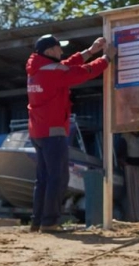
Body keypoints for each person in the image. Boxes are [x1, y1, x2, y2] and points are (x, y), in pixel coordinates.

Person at [26, 34, 110, 232]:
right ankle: (50, 222)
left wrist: (90, 51)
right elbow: (83, 72)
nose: (61, 51)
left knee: (43, 178)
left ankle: (37, 221)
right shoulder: (53, 72)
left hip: (38, 131)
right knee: (58, 178)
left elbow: (66, 64)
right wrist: (106, 59)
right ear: (49, 51)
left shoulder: (37, 68)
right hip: (53, 132)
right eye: (58, 48)